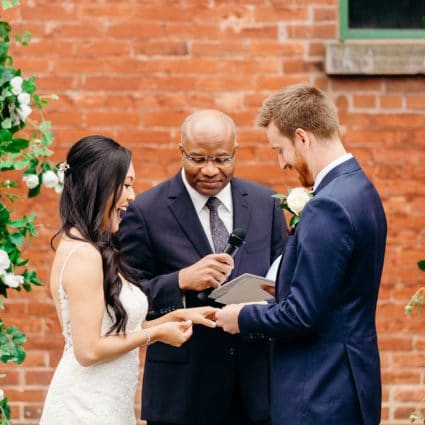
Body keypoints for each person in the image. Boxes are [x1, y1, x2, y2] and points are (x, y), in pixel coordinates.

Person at [216, 84, 387, 425]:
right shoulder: (361, 189)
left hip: (319, 392)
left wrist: (241, 317)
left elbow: (302, 315)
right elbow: (334, 298)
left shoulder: (328, 205)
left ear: (302, 138)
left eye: (280, 150)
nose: (282, 164)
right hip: (349, 381)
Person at [118, 109, 287, 425]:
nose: (210, 170)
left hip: (256, 390)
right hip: (182, 394)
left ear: (235, 153)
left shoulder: (267, 204)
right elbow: (126, 297)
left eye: (222, 160)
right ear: (180, 152)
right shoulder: (145, 211)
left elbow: (286, 279)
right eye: (197, 159)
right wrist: (180, 280)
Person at [40, 135, 218, 425]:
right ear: (99, 186)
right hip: (84, 409)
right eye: (125, 185)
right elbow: (89, 350)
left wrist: (177, 316)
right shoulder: (84, 254)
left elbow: (116, 331)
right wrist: (156, 335)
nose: (132, 195)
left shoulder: (94, 247)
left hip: (106, 405)